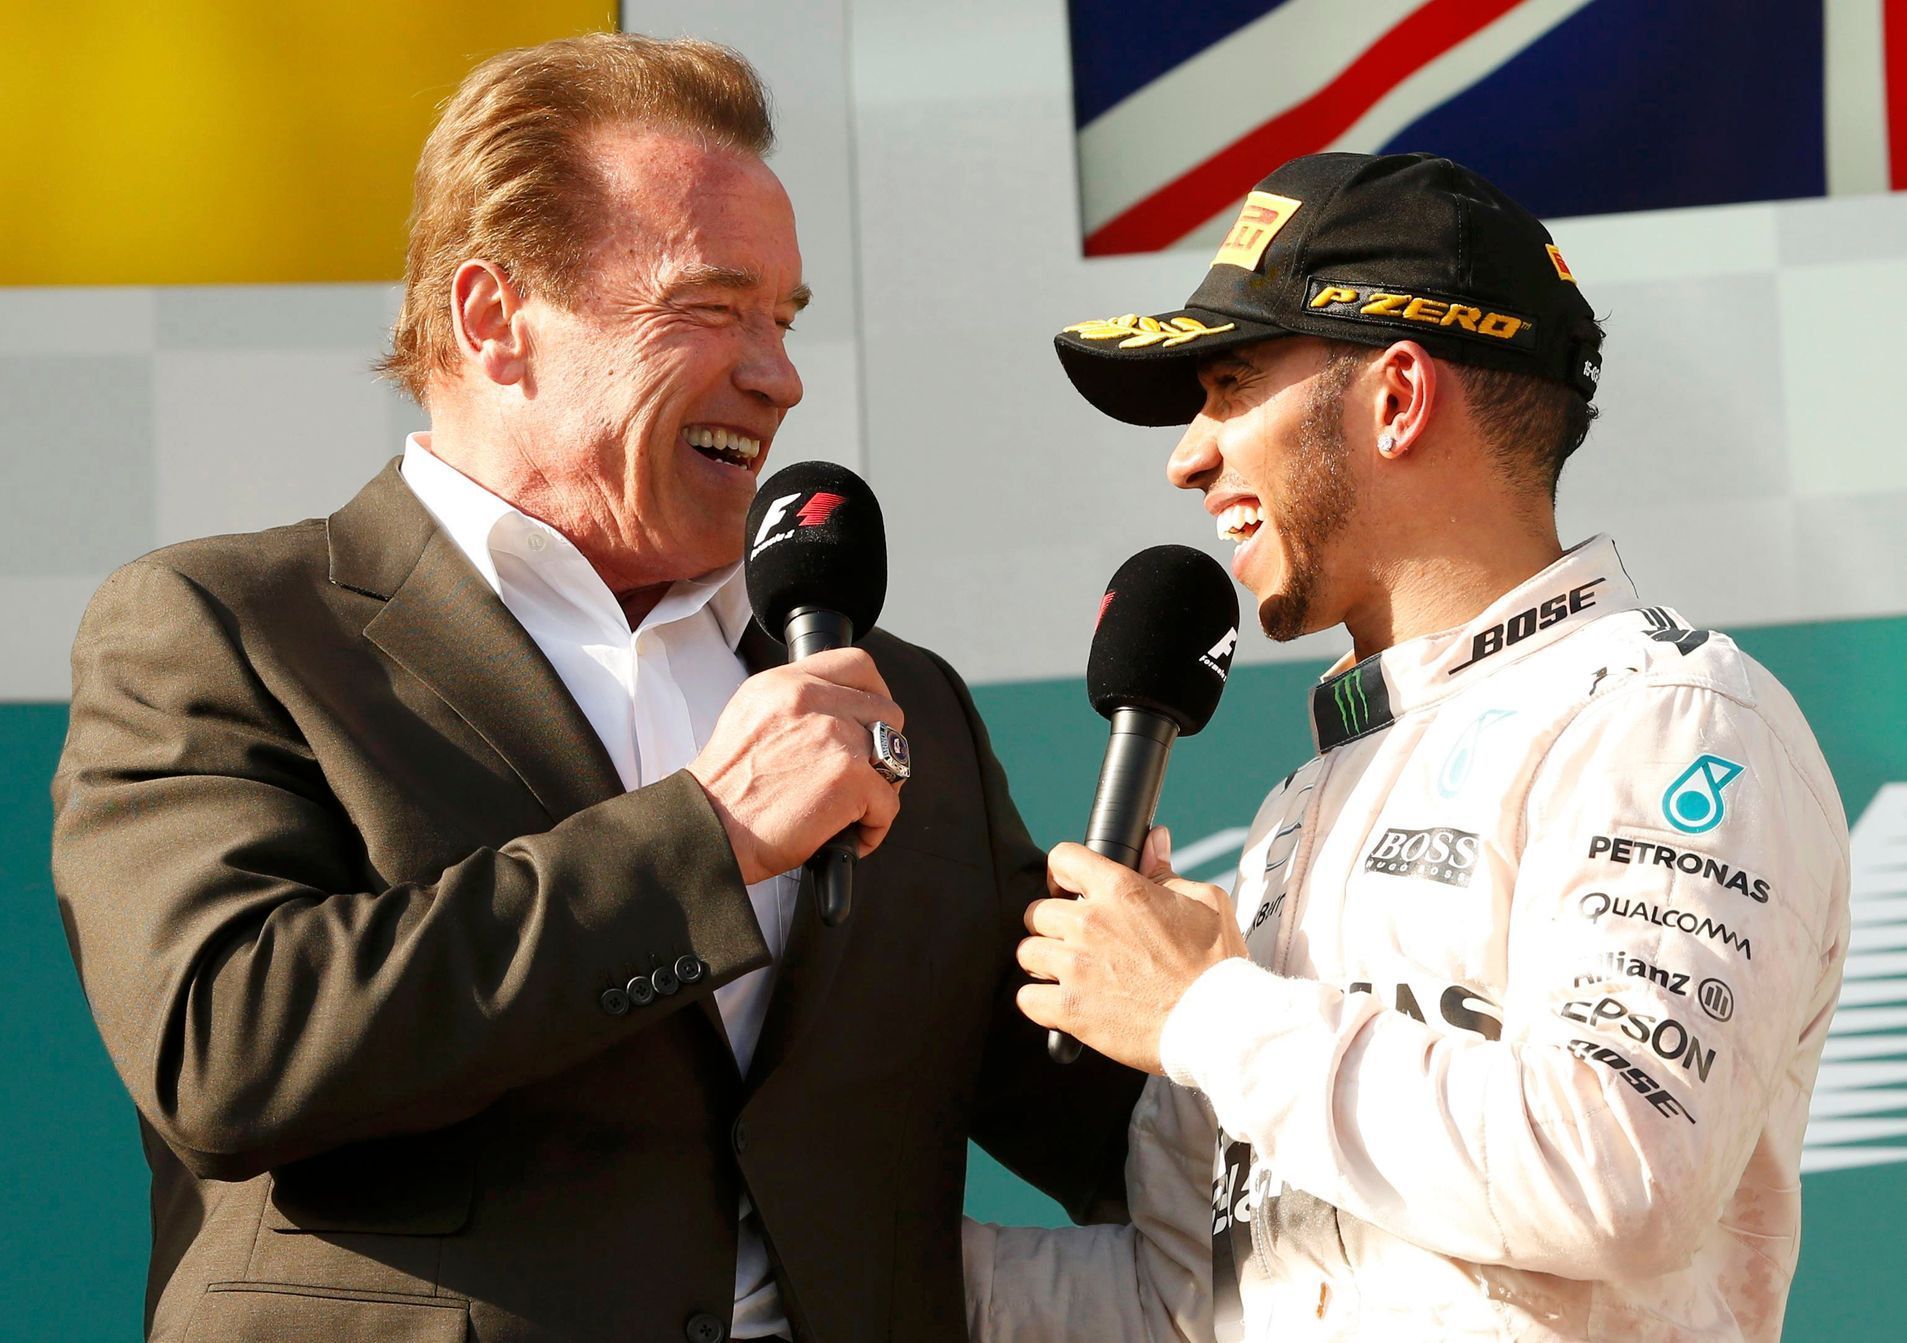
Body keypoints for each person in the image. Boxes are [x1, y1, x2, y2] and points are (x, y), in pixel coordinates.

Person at [52, 34, 1139, 1343]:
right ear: (493, 319)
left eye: (783, 318)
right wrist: (708, 839)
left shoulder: (887, 695)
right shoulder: (230, 629)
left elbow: (1079, 1116)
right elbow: (230, 1047)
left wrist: (1181, 998)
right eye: (711, 305)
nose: (777, 372)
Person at [964, 152, 1850, 1342]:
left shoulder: (1663, 711)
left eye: (1227, 384)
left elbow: (1616, 1170)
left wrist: (1202, 1010)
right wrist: (786, 1255)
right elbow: (1198, 1302)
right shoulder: (1298, 803)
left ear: (1394, 398)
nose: (1188, 455)